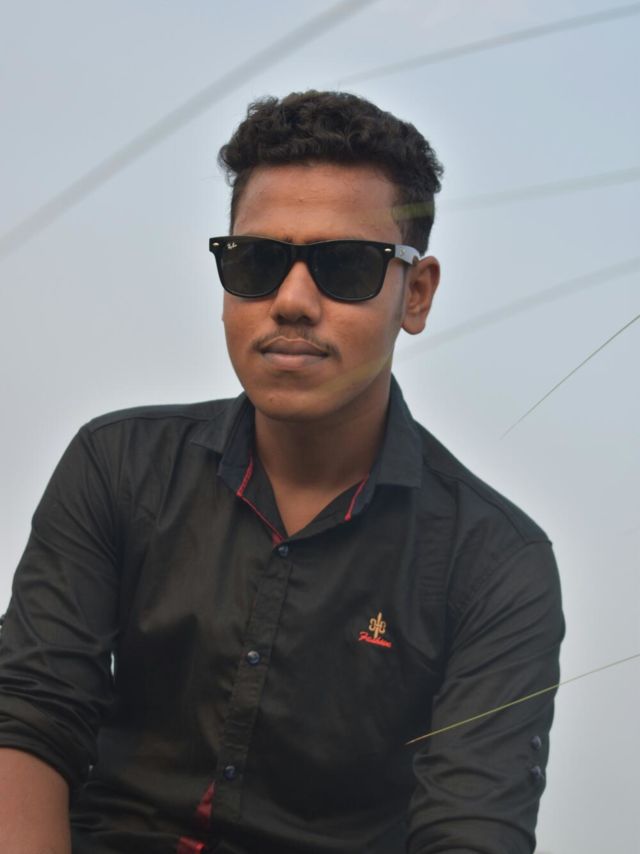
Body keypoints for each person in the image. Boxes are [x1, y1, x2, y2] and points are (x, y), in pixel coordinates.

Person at [0, 90, 564, 854]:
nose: (292, 302)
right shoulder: (118, 468)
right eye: (257, 261)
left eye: (346, 266)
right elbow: (30, 716)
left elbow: (471, 832)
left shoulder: (494, 564)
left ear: (417, 293)